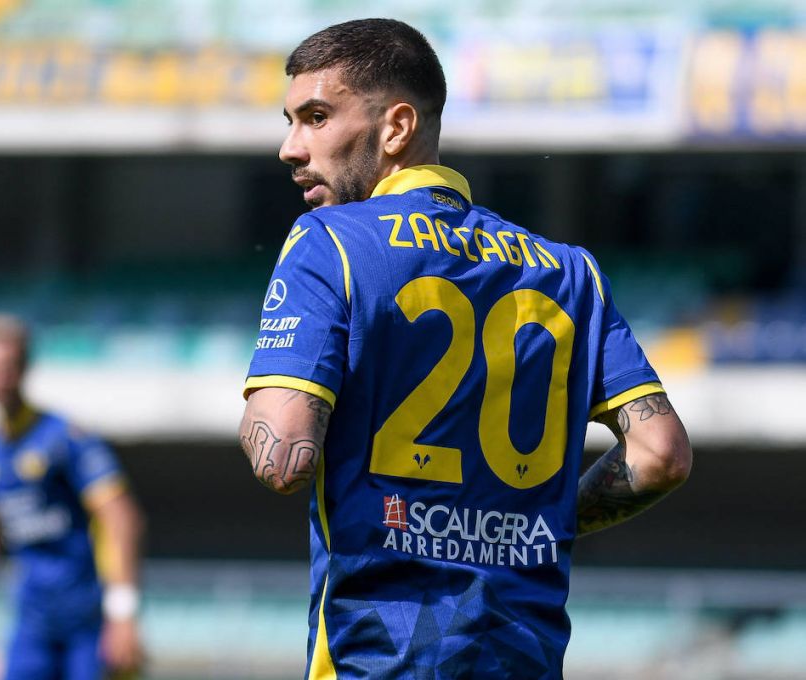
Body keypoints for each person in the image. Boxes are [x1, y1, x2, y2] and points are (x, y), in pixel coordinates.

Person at [239, 18, 692, 679]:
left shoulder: (327, 243)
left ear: (396, 128)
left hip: (381, 657)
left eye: (315, 117)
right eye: (290, 120)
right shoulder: (569, 272)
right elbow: (661, 456)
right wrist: (526, 520)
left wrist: (263, 401)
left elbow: (283, 458)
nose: (290, 147)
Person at [0, 313, 144, 680]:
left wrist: (123, 612)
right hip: (32, 617)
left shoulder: (66, 437)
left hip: (88, 616)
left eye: (5, 366)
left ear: (23, 368)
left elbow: (120, 517)